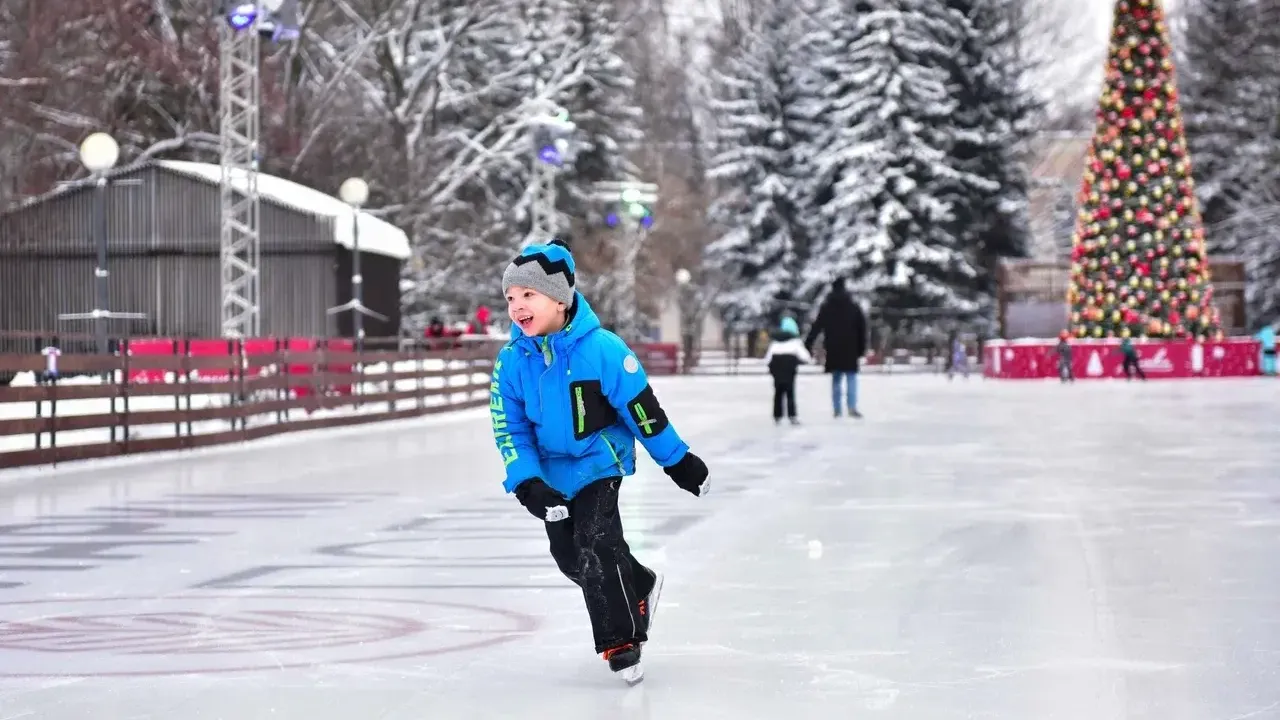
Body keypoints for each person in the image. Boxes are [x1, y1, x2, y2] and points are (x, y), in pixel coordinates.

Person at [490, 240, 711, 685]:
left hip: (598, 461)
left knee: (596, 544)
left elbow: (643, 411)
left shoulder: (603, 350)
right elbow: (509, 429)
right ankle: (640, 584)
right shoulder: (511, 363)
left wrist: (678, 461)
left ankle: (621, 642)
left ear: (559, 298)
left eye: (527, 295)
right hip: (551, 475)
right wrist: (527, 482)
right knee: (570, 557)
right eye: (510, 298)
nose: (517, 307)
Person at [804, 278, 868, 417]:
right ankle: (852, 407)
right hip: (851, 348)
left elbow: (817, 326)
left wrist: (807, 344)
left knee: (836, 378)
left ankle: (837, 409)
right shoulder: (854, 306)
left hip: (833, 347)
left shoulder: (827, 307)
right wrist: (862, 348)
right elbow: (862, 328)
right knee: (851, 377)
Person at [763, 316, 812, 424]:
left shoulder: (775, 343)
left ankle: (777, 415)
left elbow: (767, 359)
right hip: (789, 369)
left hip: (776, 368)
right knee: (790, 392)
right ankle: (792, 415)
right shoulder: (795, 342)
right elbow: (805, 357)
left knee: (778, 392)